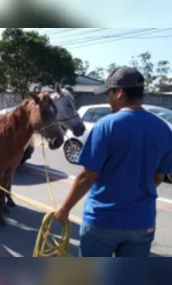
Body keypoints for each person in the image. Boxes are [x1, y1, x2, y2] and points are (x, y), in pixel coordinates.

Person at [54, 66, 172, 257]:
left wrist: (64, 209)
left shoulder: (106, 125)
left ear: (120, 92)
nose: (108, 98)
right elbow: (158, 177)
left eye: (110, 92)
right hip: (143, 223)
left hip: (103, 222)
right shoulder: (164, 129)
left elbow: (87, 176)